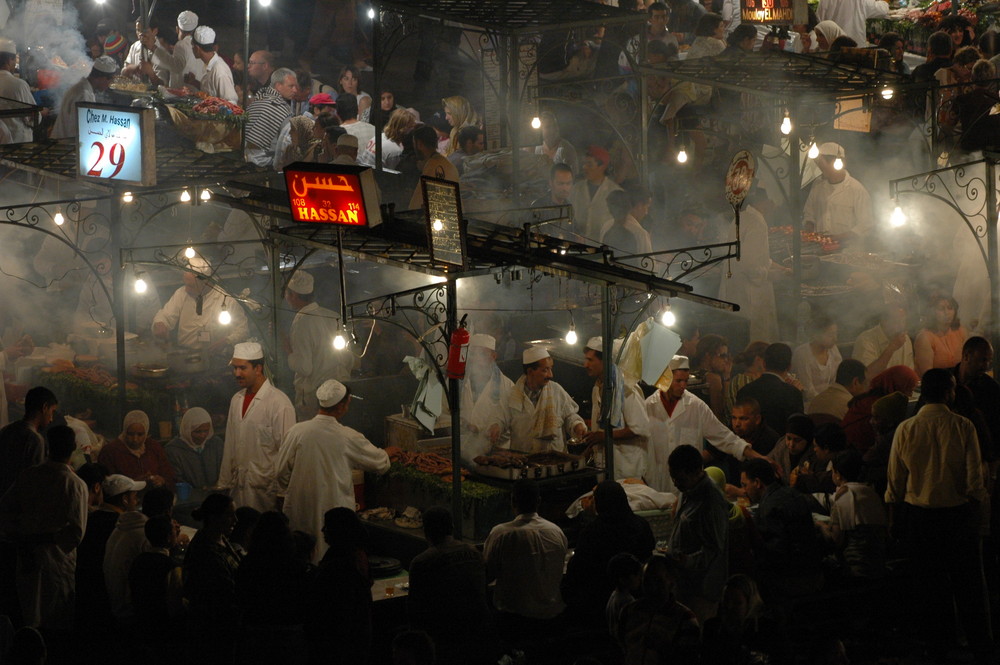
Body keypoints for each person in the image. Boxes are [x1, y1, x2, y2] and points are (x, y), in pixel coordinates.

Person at [885, 369, 992, 662]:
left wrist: (894, 520)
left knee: (930, 586)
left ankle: (938, 645)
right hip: (958, 516)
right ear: (949, 391)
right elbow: (974, 482)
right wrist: (976, 513)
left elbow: (895, 481)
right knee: (968, 585)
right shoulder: (963, 426)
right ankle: (980, 645)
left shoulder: (906, 429)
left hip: (919, 518)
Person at [274, 379, 390, 562]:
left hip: (300, 507)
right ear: (342, 406)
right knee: (334, 561)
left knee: (302, 558)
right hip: (335, 513)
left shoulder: (297, 432)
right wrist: (389, 453)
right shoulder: (347, 436)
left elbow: (280, 472)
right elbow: (380, 463)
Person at [0, 426, 87, 630]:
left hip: (28, 556)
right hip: (57, 562)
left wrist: (22, 537)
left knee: (29, 615)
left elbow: (4, 511)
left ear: (48, 446)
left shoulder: (29, 476)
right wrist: (46, 538)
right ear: (73, 448)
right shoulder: (74, 484)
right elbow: (76, 533)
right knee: (56, 620)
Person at [646, 355, 771, 493]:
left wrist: (757, 456)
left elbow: (724, 437)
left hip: (689, 487)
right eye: (678, 381)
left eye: (686, 381)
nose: (683, 385)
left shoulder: (696, 405)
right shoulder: (648, 407)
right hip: (657, 485)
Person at [218, 342, 296, 512]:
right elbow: (230, 445)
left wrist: (283, 492)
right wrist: (224, 483)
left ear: (258, 368)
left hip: (267, 492)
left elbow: (287, 452)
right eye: (235, 368)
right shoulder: (236, 400)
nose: (237, 373)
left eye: (242, 368)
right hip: (239, 489)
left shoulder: (279, 403)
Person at [407, 506, 491, 664]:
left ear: (426, 531)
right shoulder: (475, 554)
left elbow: (415, 611)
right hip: (480, 634)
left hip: (445, 640)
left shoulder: (422, 562)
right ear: (452, 527)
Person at [563, 481, 655, 621]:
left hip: (599, 602)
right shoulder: (640, 525)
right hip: (638, 599)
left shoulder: (592, 532)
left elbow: (577, 570)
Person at [483, 479, 568, 625]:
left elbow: (487, 575)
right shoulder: (556, 531)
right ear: (539, 501)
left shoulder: (501, 533)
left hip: (514, 619)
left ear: (512, 501)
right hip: (554, 616)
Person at [740, 458, 824, 599]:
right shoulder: (792, 494)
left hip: (794, 579)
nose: (744, 491)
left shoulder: (769, 507)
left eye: (745, 485)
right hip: (815, 570)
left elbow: (775, 552)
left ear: (757, 483)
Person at [234, 511, 309, 664]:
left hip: (256, 633)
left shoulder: (248, 564)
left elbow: (241, 597)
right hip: (289, 634)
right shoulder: (296, 566)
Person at [667, 444, 729, 623]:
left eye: (680, 479)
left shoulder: (711, 502)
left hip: (702, 591)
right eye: (673, 478)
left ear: (696, 472)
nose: (675, 484)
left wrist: (688, 560)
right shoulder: (687, 491)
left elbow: (715, 549)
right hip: (683, 584)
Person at [305, 508, 374, 665]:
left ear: (338, 530)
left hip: (340, 640)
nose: (323, 531)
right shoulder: (355, 553)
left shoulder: (340, 562)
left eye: (327, 527)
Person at [487, 346, 586, 454]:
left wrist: (577, 424)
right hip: (524, 460)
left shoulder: (556, 390)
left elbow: (570, 416)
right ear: (530, 371)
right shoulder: (512, 396)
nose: (550, 375)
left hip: (554, 459)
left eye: (550, 369)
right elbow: (500, 418)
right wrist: (496, 426)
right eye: (545, 370)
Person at [283, 270, 352, 420]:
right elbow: (348, 359)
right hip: (340, 392)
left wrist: (288, 349)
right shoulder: (333, 316)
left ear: (293, 295)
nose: (286, 299)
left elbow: (304, 368)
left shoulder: (302, 321)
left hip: (315, 399)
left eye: (287, 294)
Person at [717, 187, 784, 342]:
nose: (774, 206)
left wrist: (777, 266)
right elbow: (751, 266)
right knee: (755, 339)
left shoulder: (741, 218)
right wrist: (770, 274)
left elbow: (754, 256)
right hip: (749, 295)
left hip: (734, 289)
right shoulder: (757, 223)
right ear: (766, 202)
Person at [581, 337, 651, 478]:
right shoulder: (597, 388)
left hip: (628, 468)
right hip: (606, 465)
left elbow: (640, 428)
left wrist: (605, 436)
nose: (585, 364)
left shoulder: (626, 389)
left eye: (590, 360)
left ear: (605, 361)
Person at [183, 493, 242, 662]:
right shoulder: (206, 552)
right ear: (214, 517)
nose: (235, 520)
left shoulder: (221, 539)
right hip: (213, 630)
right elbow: (225, 595)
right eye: (229, 515)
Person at [104, 484, 174, 622]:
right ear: (167, 512)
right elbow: (159, 571)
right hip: (129, 611)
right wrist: (171, 541)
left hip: (113, 600)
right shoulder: (146, 535)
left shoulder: (125, 525)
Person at [151, 257, 249, 353]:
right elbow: (165, 315)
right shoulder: (181, 294)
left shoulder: (227, 299)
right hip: (185, 354)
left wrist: (227, 341)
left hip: (216, 355)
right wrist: (160, 324)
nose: (186, 289)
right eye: (185, 284)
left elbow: (243, 330)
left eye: (191, 286)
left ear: (206, 282)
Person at [617, 556, 700, 665]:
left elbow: (688, 658)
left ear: (671, 582)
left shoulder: (685, 618)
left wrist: (663, 649)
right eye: (647, 580)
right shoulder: (628, 612)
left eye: (657, 580)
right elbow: (620, 648)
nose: (651, 586)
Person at [819, 450, 887, 578]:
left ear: (838, 474)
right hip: (879, 566)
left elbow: (836, 540)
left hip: (854, 569)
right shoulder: (872, 493)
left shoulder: (843, 496)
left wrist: (821, 526)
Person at [460, 333, 514, 464]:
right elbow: (443, 413)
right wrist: (462, 423)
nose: (477, 359)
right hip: (461, 452)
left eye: (483, 354)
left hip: (494, 457)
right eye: (473, 354)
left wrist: (496, 428)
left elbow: (512, 423)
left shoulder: (508, 386)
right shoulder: (458, 382)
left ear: (493, 357)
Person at [802, 142, 873, 240]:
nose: (820, 168)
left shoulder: (857, 190)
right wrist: (809, 227)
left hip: (847, 250)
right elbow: (809, 213)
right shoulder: (817, 186)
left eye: (822, 165)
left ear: (835, 163)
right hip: (819, 247)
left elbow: (865, 225)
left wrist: (836, 238)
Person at [841, 365, 919, 453]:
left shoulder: (867, 399)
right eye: (908, 390)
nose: (910, 396)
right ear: (898, 386)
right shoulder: (879, 407)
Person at [0, 386, 58, 497]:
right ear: (45, 407)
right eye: (52, 411)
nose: (52, 419)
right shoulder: (35, 440)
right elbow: (34, 482)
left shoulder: (6, 430)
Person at [737, 343, 805, 434]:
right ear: (789, 367)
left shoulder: (744, 391)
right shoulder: (792, 393)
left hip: (751, 445)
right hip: (782, 446)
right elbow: (798, 429)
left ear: (764, 364)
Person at [128, 515, 184, 627]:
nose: (177, 532)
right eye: (174, 530)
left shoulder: (138, 560)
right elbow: (176, 606)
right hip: (163, 627)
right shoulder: (172, 567)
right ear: (168, 537)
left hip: (141, 622)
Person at [98, 410, 175, 489]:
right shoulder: (110, 451)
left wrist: (162, 480)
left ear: (146, 433)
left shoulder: (154, 447)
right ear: (124, 431)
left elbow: (169, 475)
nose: (135, 439)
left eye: (140, 434)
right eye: (130, 434)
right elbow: (107, 486)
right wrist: (134, 483)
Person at [51, 56, 117, 139]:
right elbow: (78, 131)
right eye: (110, 81)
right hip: (65, 146)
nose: (109, 85)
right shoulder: (83, 96)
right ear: (103, 78)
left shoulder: (82, 88)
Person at [165, 407, 224, 499]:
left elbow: (224, 468)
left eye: (206, 431)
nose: (202, 435)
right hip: (190, 500)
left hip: (217, 496)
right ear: (187, 430)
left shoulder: (215, 444)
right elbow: (176, 479)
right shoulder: (174, 449)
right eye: (197, 431)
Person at [245, 68, 298, 167]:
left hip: (244, 157)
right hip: (264, 162)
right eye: (291, 86)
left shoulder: (256, 102)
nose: (295, 90)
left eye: (295, 86)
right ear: (278, 86)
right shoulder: (280, 109)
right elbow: (287, 145)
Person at [569, 145, 622, 242]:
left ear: (602, 166)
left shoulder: (614, 192)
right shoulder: (576, 189)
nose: (585, 167)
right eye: (584, 164)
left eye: (589, 164)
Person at [852, 305, 914, 381]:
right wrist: (891, 348)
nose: (901, 326)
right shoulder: (865, 340)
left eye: (903, 321)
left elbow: (909, 373)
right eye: (896, 322)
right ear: (884, 321)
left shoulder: (905, 339)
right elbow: (867, 376)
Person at [791, 315, 842, 404]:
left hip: (831, 400)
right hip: (810, 404)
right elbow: (807, 391)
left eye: (836, 333)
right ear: (816, 335)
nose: (835, 338)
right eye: (830, 335)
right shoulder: (802, 354)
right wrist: (825, 403)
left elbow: (839, 378)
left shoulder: (833, 350)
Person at [146, 10, 204, 88]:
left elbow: (176, 67)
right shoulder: (199, 44)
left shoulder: (181, 44)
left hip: (183, 93)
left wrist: (153, 48)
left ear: (177, 29)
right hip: (197, 91)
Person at [914, 291, 967, 375]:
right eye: (941, 309)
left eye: (950, 308)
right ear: (932, 313)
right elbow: (927, 374)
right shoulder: (925, 337)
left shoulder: (961, 331)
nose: (947, 312)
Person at [409, 124, 460, 209]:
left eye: (414, 144)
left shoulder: (432, 166)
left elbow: (416, 205)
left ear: (420, 144)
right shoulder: (446, 163)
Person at [619, 3, 678, 74]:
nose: (661, 20)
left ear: (667, 18)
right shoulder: (636, 41)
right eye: (657, 17)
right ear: (649, 19)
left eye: (664, 16)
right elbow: (624, 66)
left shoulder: (672, 40)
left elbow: (675, 65)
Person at [186, 25, 238, 104]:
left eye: (192, 46)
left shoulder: (220, 70)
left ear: (197, 48)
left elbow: (231, 102)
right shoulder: (209, 64)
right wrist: (195, 82)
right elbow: (211, 91)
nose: (192, 48)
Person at [0, 39, 37, 143]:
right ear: (8, 60)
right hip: (17, 145)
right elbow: (32, 118)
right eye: (14, 59)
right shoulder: (19, 85)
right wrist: (41, 113)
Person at [600, 189, 653, 256]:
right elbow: (647, 265)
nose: (646, 212)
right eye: (647, 207)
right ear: (639, 206)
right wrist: (662, 263)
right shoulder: (640, 233)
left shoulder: (606, 226)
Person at [766, 413, 817, 482]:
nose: (791, 444)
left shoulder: (816, 453)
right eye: (789, 438)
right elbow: (767, 463)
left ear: (808, 440)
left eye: (797, 440)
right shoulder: (782, 445)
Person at [692, 333, 731, 422]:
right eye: (722, 356)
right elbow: (719, 413)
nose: (726, 360)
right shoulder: (713, 379)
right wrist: (726, 377)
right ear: (708, 355)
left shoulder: (690, 372)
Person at [816, 0, 887, 46]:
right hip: (856, 48)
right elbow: (883, 10)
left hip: (833, 48)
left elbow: (819, 22)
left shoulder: (824, 1)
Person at [606, 553, 642, 641]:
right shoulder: (627, 601)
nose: (639, 578)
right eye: (636, 575)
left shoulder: (614, 596)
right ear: (623, 579)